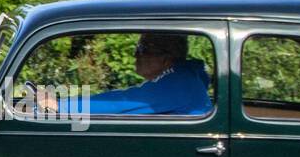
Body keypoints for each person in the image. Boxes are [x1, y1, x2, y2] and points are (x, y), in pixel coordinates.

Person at [41, 33, 212, 116]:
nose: (136, 54)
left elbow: (122, 102)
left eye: (143, 49)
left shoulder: (177, 83)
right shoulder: (182, 77)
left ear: (167, 57)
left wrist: (61, 106)